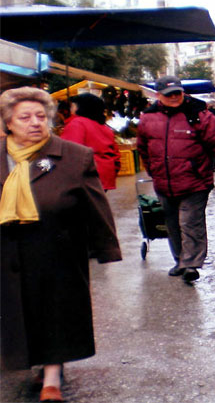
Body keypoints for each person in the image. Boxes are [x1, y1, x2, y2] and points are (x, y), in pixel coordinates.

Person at [0, 87, 122, 402]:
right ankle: (32, 360)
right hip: (7, 250)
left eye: (41, 116)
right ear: (8, 123)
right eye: (24, 117)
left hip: (55, 247)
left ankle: (51, 378)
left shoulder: (72, 155)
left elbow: (95, 204)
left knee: (54, 309)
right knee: (17, 309)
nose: (34, 123)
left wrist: (105, 247)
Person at [136, 76, 215, 283]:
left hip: (195, 180)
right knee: (172, 223)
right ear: (158, 96)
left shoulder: (199, 114)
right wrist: (153, 171)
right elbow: (143, 148)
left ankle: (191, 264)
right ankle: (180, 261)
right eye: (168, 94)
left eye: (177, 93)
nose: (174, 97)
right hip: (164, 181)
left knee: (190, 222)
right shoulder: (148, 118)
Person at [60, 93, 121, 191]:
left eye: (73, 105)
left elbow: (70, 153)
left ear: (79, 107)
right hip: (103, 178)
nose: (71, 108)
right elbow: (116, 156)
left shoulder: (77, 124)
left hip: (85, 179)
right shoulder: (105, 128)